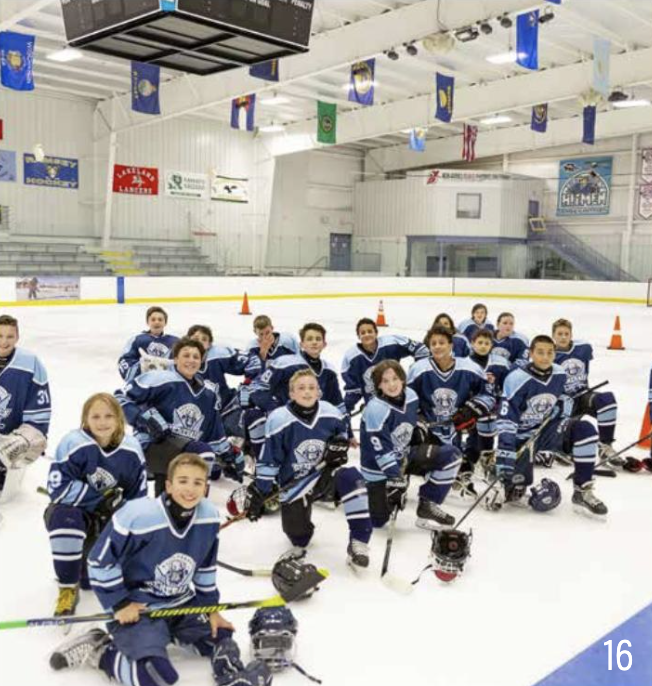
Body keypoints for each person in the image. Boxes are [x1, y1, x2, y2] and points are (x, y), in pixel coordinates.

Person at [50, 453, 271, 686]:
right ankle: (101, 649)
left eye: (198, 482)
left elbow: (205, 568)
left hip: (181, 604)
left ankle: (231, 678)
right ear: (168, 484)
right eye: (183, 481)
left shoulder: (208, 517)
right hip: (139, 608)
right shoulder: (136, 515)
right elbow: (99, 561)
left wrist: (211, 610)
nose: (190, 489)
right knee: (154, 677)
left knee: (223, 640)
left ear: (206, 487)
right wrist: (120, 603)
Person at [245, 369, 372, 569]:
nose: (307, 392)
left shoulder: (331, 413)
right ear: (291, 394)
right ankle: (300, 534)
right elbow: (269, 458)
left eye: (312, 387)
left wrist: (338, 450)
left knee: (352, 478)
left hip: (322, 477)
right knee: (299, 537)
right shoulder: (279, 419)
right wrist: (262, 489)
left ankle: (359, 541)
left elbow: (340, 440)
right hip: (293, 485)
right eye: (301, 388)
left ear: (319, 392)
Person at [44, 393, 147, 617]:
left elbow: (138, 501)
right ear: (85, 420)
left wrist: (125, 513)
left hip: (109, 520)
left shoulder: (132, 449)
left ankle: (91, 573)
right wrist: (99, 500)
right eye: (96, 416)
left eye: (109, 416)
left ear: (119, 419)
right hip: (77, 515)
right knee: (65, 518)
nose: (102, 422)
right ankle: (67, 587)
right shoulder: (73, 443)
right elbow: (57, 487)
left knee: (92, 581)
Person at [494, 335, 607, 516]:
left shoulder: (559, 373)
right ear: (531, 353)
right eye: (540, 352)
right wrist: (506, 448)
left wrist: (563, 404)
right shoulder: (515, 379)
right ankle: (495, 474)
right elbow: (507, 417)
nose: (545, 357)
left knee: (585, 429)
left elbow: (564, 396)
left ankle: (582, 491)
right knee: (514, 490)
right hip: (522, 437)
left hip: (548, 429)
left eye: (549, 353)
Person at [116, 337, 241, 495]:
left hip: (184, 448)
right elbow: (120, 398)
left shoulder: (209, 393)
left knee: (205, 460)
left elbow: (213, 431)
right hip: (155, 444)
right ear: (175, 359)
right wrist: (144, 418)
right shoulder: (159, 378)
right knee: (201, 452)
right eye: (186, 356)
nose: (191, 360)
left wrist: (229, 456)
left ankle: (188, 510)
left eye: (196, 357)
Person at [407, 325, 494, 528]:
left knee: (451, 458)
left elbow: (489, 395)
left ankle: (429, 503)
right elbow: (407, 401)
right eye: (433, 343)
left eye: (441, 342)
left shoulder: (469, 367)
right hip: (425, 430)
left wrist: (472, 409)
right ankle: (399, 486)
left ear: (451, 345)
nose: (437, 347)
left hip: (453, 431)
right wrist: (417, 420)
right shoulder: (418, 369)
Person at [244, 322, 346, 459]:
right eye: (309, 339)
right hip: (286, 421)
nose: (314, 342)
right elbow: (259, 388)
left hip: (312, 421)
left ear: (324, 344)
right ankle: (260, 460)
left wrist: (347, 433)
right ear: (301, 344)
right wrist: (274, 409)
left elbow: (337, 403)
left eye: (318, 339)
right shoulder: (285, 363)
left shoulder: (329, 370)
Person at [551, 318, 621, 466]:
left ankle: (605, 446)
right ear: (553, 336)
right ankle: (558, 445)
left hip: (583, 397)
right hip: (563, 403)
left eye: (566, 333)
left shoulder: (583, 348)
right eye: (559, 334)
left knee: (607, 400)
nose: (563, 337)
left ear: (571, 334)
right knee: (565, 446)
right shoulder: (549, 354)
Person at [0, 314, 50, 499]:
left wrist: (23, 439)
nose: (4, 342)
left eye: (9, 336)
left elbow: (39, 417)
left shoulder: (30, 363)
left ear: (17, 337)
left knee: (20, 445)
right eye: (0, 336)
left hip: (11, 438)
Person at [457, 329, 511, 491]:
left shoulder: (500, 364)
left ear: (492, 345)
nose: (483, 346)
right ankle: (467, 462)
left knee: (487, 430)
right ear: (472, 344)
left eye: (487, 343)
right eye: (479, 342)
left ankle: (485, 458)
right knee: (474, 437)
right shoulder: (463, 363)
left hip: (491, 408)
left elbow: (506, 386)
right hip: (470, 409)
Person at [341, 317, 428, 414]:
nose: (367, 335)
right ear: (358, 336)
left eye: (370, 331)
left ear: (376, 333)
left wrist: (416, 371)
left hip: (399, 404)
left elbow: (421, 350)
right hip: (375, 409)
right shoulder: (351, 358)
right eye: (363, 333)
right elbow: (353, 390)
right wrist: (345, 410)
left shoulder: (391, 343)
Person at [187, 324, 247, 437]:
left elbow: (249, 363)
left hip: (227, 408)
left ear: (210, 344)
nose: (199, 342)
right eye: (195, 339)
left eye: (204, 339)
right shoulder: (179, 364)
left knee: (235, 438)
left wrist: (249, 382)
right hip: (200, 416)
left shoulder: (216, 356)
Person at [118, 307, 179, 383]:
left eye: (160, 319)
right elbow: (124, 361)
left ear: (165, 323)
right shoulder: (137, 340)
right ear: (148, 322)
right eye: (153, 319)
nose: (157, 322)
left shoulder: (175, 341)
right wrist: (140, 367)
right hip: (145, 384)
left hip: (168, 384)